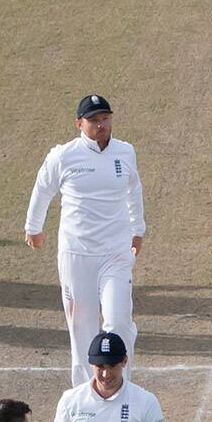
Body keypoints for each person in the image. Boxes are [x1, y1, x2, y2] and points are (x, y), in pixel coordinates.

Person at [24, 94, 146, 386]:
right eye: (94, 120)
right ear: (79, 123)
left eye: (105, 118)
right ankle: (83, 393)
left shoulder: (125, 152)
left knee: (118, 322)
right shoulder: (64, 156)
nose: (101, 125)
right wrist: (33, 227)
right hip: (76, 256)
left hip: (115, 254)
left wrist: (138, 230)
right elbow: (43, 189)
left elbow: (134, 190)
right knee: (82, 330)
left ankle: (122, 388)